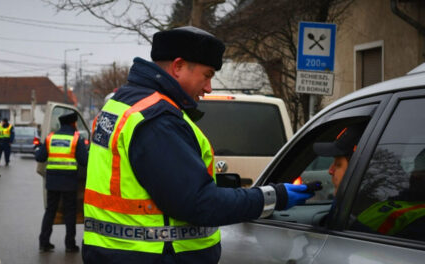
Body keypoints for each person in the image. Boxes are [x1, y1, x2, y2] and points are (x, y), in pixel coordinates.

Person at [82, 26, 316, 264]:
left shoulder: (124, 104)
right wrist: (272, 197)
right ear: (178, 66)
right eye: (207, 75)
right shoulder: (157, 120)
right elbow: (198, 203)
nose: (208, 88)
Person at [35, 112, 88, 253]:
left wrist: (37, 148)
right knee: (70, 213)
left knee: (50, 211)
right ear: (73, 123)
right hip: (69, 182)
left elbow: (40, 158)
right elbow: (84, 161)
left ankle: (44, 242)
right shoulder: (77, 139)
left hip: (52, 182)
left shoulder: (50, 138)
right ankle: (70, 245)